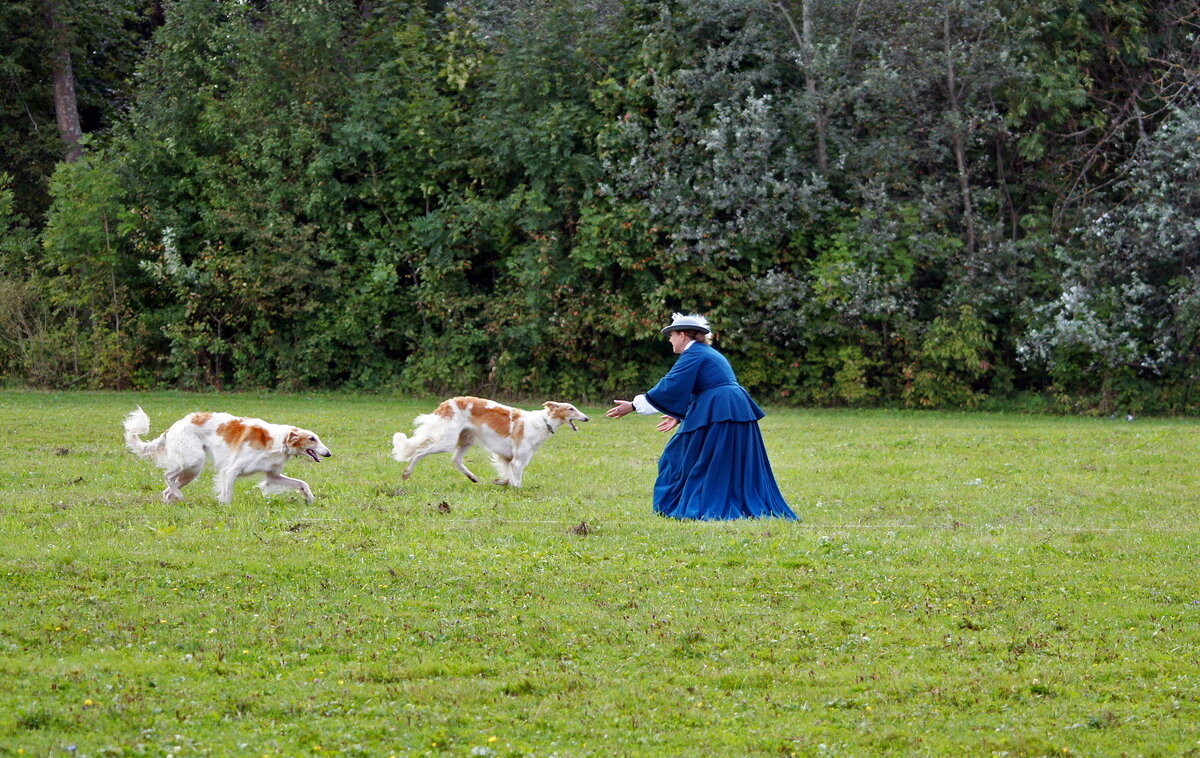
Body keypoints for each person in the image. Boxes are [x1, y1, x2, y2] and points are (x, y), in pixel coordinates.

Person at [607, 313, 798, 521]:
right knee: (713, 457)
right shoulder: (703, 353)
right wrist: (678, 415)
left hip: (722, 410)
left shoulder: (694, 354)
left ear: (682, 336)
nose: (669, 340)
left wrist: (634, 405)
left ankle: (705, 502)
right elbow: (699, 386)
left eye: (671, 335)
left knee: (684, 456)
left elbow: (671, 385)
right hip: (728, 409)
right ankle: (729, 499)